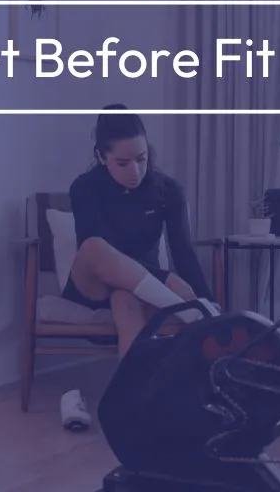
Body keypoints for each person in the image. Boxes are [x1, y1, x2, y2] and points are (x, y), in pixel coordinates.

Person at [59, 103, 220, 431]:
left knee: (126, 300)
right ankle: (193, 313)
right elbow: (101, 251)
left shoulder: (167, 191)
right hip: (93, 283)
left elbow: (184, 253)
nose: (135, 170)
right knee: (94, 246)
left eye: (142, 159)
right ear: (102, 157)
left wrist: (206, 296)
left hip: (138, 289)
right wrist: (173, 285)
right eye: (123, 162)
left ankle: (133, 407)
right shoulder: (84, 187)